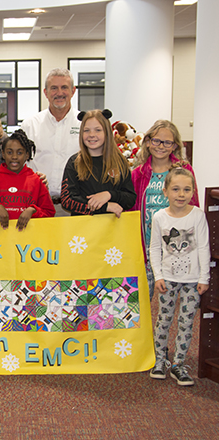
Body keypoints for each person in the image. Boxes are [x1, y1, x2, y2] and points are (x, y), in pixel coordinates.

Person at [149, 167, 209, 386]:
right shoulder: (159, 217)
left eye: (186, 189)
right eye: (175, 189)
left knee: (186, 323)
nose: (181, 194)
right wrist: (158, 276)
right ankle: (160, 361)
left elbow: (203, 247)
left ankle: (179, 365)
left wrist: (204, 278)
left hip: (192, 282)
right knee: (163, 319)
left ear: (193, 192)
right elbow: (154, 248)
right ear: (165, 191)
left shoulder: (197, 216)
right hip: (168, 280)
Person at [131, 120, 199, 300]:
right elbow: (132, 208)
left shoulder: (183, 170)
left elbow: (194, 205)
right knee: (143, 298)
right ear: (147, 142)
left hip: (176, 247)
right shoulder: (138, 173)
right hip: (147, 245)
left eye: (167, 142)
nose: (161, 146)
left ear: (174, 145)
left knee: (170, 303)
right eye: (156, 141)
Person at [21, 68, 81, 215]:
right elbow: (18, 164)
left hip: (75, 208)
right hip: (36, 207)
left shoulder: (84, 124)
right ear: (45, 92)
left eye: (64, 87)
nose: (59, 93)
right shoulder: (30, 125)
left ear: (73, 91)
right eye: (54, 88)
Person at [61, 109, 136, 216]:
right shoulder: (75, 163)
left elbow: (130, 199)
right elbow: (67, 201)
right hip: (82, 229)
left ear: (107, 132)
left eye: (98, 130)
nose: (92, 134)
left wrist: (109, 195)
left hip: (113, 228)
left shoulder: (119, 162)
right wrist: (105, 207)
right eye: (86, 130)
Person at [0, 129, 55, 230]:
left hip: (30, 240)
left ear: (27, 155)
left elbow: (49, 213)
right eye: (9, 152)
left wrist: (33, 210)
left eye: (19, 152)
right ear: (3, 154)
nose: (14, 157)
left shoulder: (37, 181)